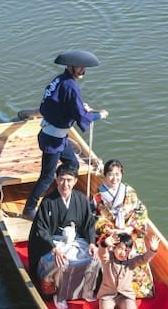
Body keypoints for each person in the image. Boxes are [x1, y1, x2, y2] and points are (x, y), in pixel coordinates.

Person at [22, 49, 108, 221]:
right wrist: (99, 115)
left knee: (72, 163)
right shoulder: (71, 87)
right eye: (80, 67)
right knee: (46, 176)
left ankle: (63, 188)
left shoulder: (59, 80)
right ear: (71, 67)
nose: (83, 70)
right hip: (53, 139)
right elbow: (81, 116)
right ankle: (29, 209)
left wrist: (77, 106)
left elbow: (53, 104)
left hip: (58, 137)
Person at [28, 163, 100, 307]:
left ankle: (86, 291)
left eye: (69, 180)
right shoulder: (48, 202)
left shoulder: (80, 199)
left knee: (95, 259)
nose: (65, 184)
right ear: (56, 179)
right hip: (53, 243)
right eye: (62, 179)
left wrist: (92, 243)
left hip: (76, 241)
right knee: (60, 262)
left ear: (74, 181)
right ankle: (59, 295)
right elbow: (41, 229)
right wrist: (54, 249)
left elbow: (89, 224)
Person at [92, 159, 154, 298]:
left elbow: (140, 211)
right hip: (111, 234)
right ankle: (112, 290)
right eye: (110, 174)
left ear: (122, 174)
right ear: (105, 176)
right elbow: (98, 218)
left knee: (134, 254)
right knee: (108, 255)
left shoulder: (130, 192)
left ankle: (140, 290)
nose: (114, 178)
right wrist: (111, 231)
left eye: (117, 174)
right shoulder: (99, 195)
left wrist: (129, 229)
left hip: (129, 232)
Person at [97, 231, 160, 309]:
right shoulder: (108, 259)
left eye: (126, 250)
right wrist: (104, 244)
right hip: (108, 295)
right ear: (114, 248)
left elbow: (144, 258)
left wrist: (153, 250)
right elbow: (102, 253)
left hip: (125, 296)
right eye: (120, 248)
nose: (123, 253)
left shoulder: (131, 261)